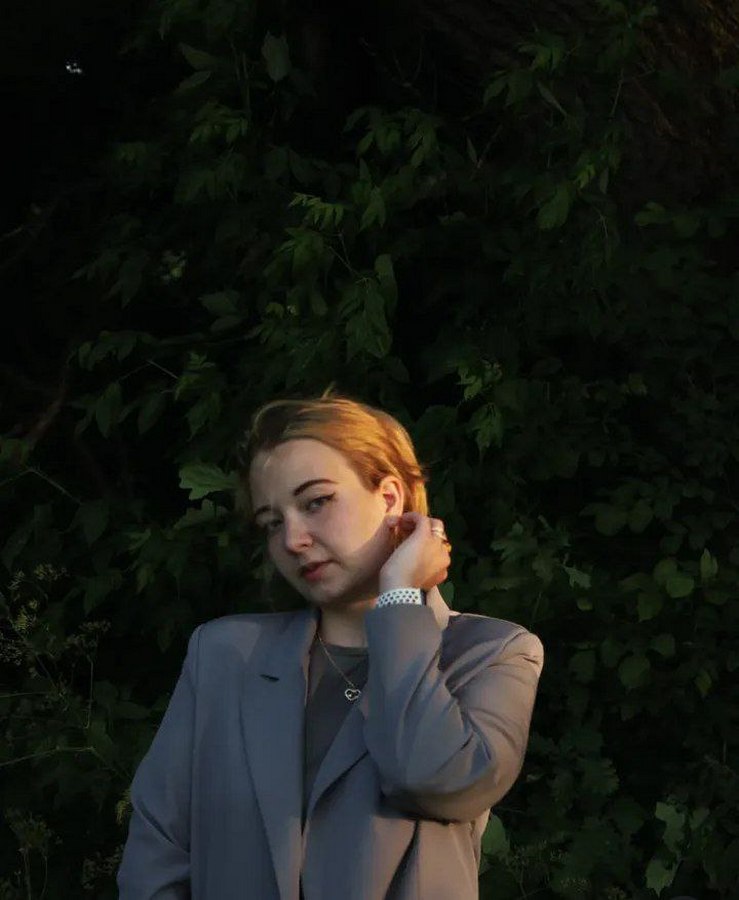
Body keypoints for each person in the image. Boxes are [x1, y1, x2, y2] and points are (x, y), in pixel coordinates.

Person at [117, 393, 544, 900]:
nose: (292, 540)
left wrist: (400, 596)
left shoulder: (492, 652)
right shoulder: (224, 655)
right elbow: (157, 854)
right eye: (272, 522)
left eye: (316, 502)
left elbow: (435, 780)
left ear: (391, 497)